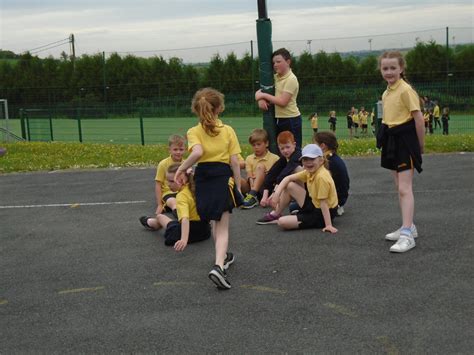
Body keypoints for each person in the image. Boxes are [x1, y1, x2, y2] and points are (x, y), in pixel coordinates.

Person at [174, 87, 241, 290]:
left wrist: (182, 169)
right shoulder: (227, 130)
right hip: (221, 177)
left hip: (202, 178)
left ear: (196, 109)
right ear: (219, 108)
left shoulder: (193, 131)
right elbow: (235, 162)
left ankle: (223, 257)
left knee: (214, 222)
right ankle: (218, 266)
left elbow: (197, 153)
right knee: (223, 228)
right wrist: (238, 186)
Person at [377, 51, 424, 253]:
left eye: (393, 68)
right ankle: (409, 226)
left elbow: (418, 118)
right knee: (399, 187)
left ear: (401, 69)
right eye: (385, 68)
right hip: (391, 140)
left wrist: (419, 146)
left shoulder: (405, 90)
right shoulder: (387, 92)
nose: (389, 72)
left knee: (405, 188)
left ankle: (407, 234)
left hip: (405, 141)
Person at [258, 144, 338, 233]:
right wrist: (276, 194)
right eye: (305, 159)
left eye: (312, 159)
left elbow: (324, 203)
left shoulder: (321, 177)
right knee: (289, 185)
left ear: (321, 160)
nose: (308, 162)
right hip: (314, 204)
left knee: (282, 222)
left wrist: (328, 225)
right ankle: (276, 213)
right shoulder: (310, 171)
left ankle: (310, 219)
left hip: (322, 213)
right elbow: (287, 178)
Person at [139, 164, 212, 249]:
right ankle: (156, 223)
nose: (168, 184)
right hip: (205, 231)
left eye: (171, 181)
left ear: (182, 180)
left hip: (190, 232)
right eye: (167, 181)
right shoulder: (198, 187)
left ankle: (153, 222)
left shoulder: (182, 196)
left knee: (160, 216)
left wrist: (183, 240)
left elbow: (185, 219)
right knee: (178, 220)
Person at [255, 48, 302, 149]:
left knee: (293, 150)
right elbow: (259, 92)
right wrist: (260, 99)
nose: (275, 65)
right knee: (281, 149)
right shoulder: (276, 77)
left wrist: (263, 96)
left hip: (290, 119)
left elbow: (282, 101)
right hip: (279, 118)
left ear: (288, 62)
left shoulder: (291, 79)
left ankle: (295, 165)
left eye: (278, 61)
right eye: (273, 62)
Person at [258, 131, 302, 212]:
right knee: (278, 171)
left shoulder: (298, 154)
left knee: (296, 169)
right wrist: (265, 196)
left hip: (309, 189)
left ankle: (298, 200)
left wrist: (275, 193)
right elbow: (272, 173)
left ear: (294, 145)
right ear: (279, 148)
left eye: (287, 147)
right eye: (282, 148)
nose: (285, 151)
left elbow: (285, 173)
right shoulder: (285, 157)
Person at [146, 135, 185, 225]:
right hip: (169, 193)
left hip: (182, 191)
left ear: (185, 149)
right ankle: (180, 219)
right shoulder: (163, 164)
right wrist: (159, 204)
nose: (178, 152)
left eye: (181, 149)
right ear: (169, 150)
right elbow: (158, 184)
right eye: (175, 149)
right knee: (174, 203)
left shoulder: (186, 163)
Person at [313, 131, 350, 216]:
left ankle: (331, 207)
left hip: (334, 200)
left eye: (315, 144)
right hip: (341, 198)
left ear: (322, 146)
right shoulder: (333, 158)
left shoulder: (327, 162)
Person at [241, 128, 280, 209]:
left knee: (260, 166)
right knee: (237, 179)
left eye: (258, 144)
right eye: (253, 145)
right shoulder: (249, 158)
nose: (256, 147)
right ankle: (248, 197)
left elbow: (276, 177)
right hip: (251, 186)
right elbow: (249, 175)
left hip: (266, 188)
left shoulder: (275, 158)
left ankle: (252, 196)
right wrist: (252, 185)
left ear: (266, 143)